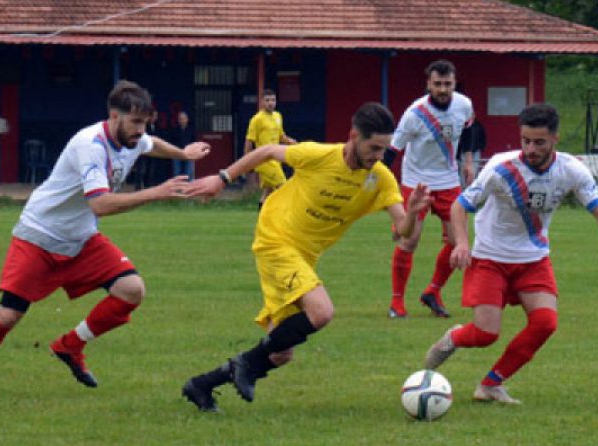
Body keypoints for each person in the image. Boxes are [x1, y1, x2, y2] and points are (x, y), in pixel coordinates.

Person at [0, 80, 210, 398]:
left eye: (145, 123)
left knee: (131, 290)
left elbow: (151, 144)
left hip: (81, 238)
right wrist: (156, 192)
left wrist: (183, 152)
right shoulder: (91, 145)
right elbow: (100, 204)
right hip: (39, 235)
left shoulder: (133, 139)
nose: (141, 130)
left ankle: (71, 345)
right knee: (9, 315)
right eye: (136, 122)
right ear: (114, 116)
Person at [181, 102, 432, 412]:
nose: (379, 156)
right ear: (354, 135)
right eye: (374, 147)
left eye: (384, 149)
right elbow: (268, 151)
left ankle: (202, 386)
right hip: (276, 237)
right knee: (322, 311)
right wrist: (223, 178)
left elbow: (403, 231)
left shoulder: (380, 179)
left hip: (303, 256)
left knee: (280, 352)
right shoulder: (320, 155)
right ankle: (244, 365)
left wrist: (416, 215)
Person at [423, 103, 598, 405]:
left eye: (539, 142)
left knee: (545, 323)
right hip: (490, 258)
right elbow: (460, 205)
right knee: (486, 334)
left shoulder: (571, 170)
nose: (530, 148)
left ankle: (491, 384)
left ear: (555, 138)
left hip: (533, 259)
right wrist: (462, 243)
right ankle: (454, 338)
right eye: (525, 140)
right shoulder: (501, 170)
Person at [386, 60, 475, 320]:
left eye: (447, 84)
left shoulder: (464, 105)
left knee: (459, 241)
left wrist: (468, 161)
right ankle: (397, 303)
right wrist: (383, 185)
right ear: (428, 84)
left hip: (449, 182)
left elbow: (469, 131)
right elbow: (393, 151)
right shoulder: (414, 114)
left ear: (454, 83)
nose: (443, 89)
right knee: (410, 240)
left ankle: (433, 292)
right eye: (437, 84)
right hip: (417, 183)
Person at [244, 88, 297, 206]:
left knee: (268, 191)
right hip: (264, 160)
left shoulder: (278, 116)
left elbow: (281, 135)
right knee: (283, 186)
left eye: (273, 100)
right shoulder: (257, 119)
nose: (270, 103)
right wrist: (246, 161)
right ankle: (283, 215)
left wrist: (291, 141)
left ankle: (261, 215)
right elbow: (249, 140)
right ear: (262, 102)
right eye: (267, 100)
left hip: (275, 159)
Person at [457, 118, 487, 185]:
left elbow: (483, 137)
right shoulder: (461, 124)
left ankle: (471, 188)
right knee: (463, 173)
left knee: (474, 171)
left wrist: (481, 147)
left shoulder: (477, 125)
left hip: (475, 150)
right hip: (463, 151)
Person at [169, 110, 197, 180]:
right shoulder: (175, 130)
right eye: (180, 119)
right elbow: (172, 142)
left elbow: (194, 142)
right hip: (177, 152)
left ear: (187, 119)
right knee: (176, 171)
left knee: (189, 171)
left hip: (189, 153)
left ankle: (189, 187)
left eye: (184, 118)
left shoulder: (191, 130)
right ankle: (177, 187)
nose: (182, 120)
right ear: (178, 120)